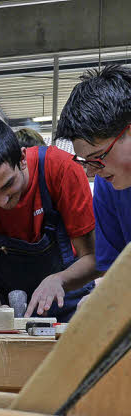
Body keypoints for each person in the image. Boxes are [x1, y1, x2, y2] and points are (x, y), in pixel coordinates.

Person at [0, 118, 97, 321]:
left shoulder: (61, 169)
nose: (2, 201)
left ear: (22, 158)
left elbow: (93, 258)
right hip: (7, 307)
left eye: (8, 185)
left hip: (70, 301)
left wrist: (60, 279)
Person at [55, 64, 131, 273]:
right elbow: (112, 271)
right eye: (85, 161)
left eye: (98, 157)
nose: (90, 172)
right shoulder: (108, 185)